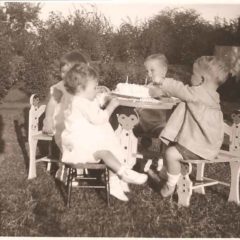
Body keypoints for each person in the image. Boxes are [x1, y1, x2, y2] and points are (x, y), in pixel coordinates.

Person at [61, 63, 148, 201]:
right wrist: (111, 106)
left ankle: (115, 182)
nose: (96, 90)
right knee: (106, 152)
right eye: (94, 87)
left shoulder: (83, 99)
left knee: (112, 146)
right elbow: (98, 118)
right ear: (80, 88)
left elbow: (96, 101)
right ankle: (123, 174)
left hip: (87, 141)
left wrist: (104, 98)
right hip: (80, 147)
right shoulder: (79, 102)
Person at [148, 56, 229, 197]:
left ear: (202, 79)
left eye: (193, 74)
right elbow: (184, 96)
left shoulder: (198, 94)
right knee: (172, 146)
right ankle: (178, 170)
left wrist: (161, 81)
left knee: (170, 153)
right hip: (208, 145)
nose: (190, 77)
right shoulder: (213, 97)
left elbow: (179, 89)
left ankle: (170, 185)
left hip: (200, 146)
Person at [42, 50, 88, 150]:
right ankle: (71, 156)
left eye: (68, 72)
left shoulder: (82, 86)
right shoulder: (60, 87)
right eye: (63, 72)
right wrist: (48, 119)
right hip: (63, 122)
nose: (65, 75)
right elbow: (52, 104)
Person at [133, 53, 169, 149]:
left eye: (152, 70)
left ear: (164, 71)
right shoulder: (149, 86)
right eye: (147, 71)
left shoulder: (168, 86)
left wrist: (151, 92)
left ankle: (163, 159)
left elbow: (164, 96)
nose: (149, 74)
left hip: (158, 125)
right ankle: (129, 157)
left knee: (168, 132)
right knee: (126, 125)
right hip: (142, 123)